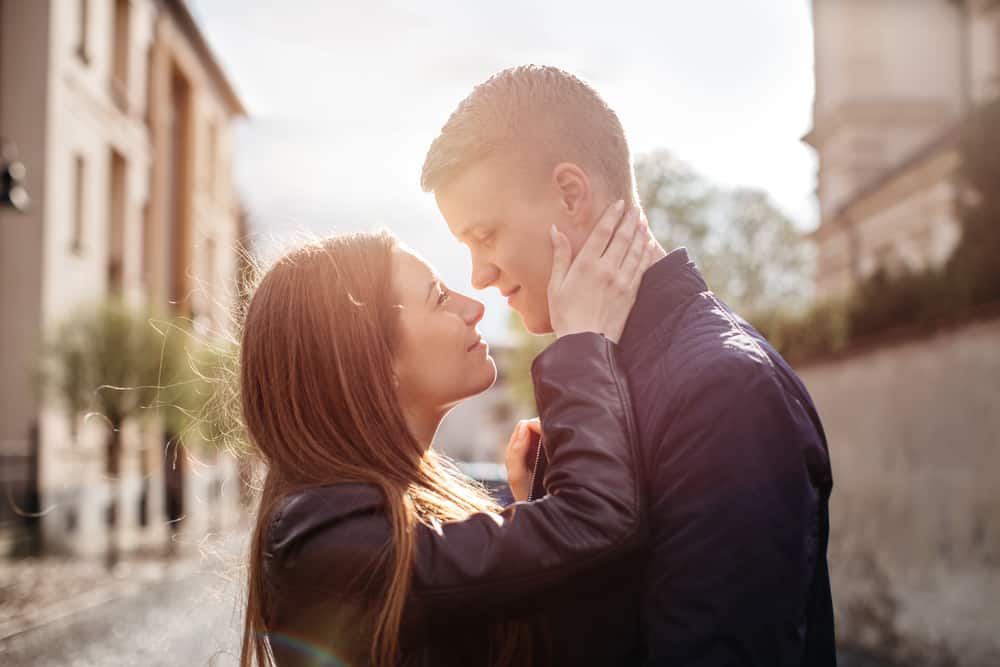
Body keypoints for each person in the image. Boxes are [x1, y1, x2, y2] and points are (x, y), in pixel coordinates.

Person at [422, 64, 837, 666]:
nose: (478, 276)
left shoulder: (723, 390)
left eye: (485, 236)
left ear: (570, 193)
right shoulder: (605, 374)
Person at [238, 201, 659, 667]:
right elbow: (599, 520)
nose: (476, 307)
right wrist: (582, 339)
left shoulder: (359, 519)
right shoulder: (328, 542)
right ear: (370, 361)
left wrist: (531, 509)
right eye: (439, 297)